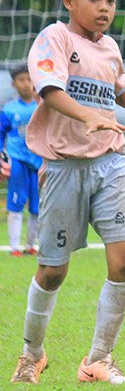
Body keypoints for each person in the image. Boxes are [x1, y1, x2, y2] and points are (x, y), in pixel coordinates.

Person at [10, 0, 125, 385]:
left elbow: (120, 91)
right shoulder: (55, 39)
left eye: (112, 1)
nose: (105, 8)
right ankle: (32, 355)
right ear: (69, 0)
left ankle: (99, 359)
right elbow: (49, 90)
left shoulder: (110, 48)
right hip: (64, 168)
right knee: (52, 271)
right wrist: (87, 116)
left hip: (109, 164)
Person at [1, 64, 43, 257]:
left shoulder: (43, 106)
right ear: (14, 84)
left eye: (29, 79)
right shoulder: (9, 110)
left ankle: (30, 245)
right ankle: (15, 248)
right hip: (17, 160)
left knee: (37, 205)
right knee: (16, 202)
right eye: (21, 80)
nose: (26, 84)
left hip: (39, 160)